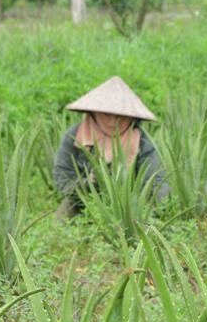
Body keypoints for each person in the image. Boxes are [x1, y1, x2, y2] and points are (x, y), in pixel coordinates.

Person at [53, 76, 170, 217]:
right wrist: (89, 182)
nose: (113, 121)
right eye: (107, 115)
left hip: (129, 210)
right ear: (94, 113)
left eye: (121, 116)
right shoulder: (75, 136)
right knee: (62, 215)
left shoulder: (141, 141)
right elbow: (62, 180)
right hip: (83, 204)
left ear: (132, 118)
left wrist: (161, 209)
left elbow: (157, 180)